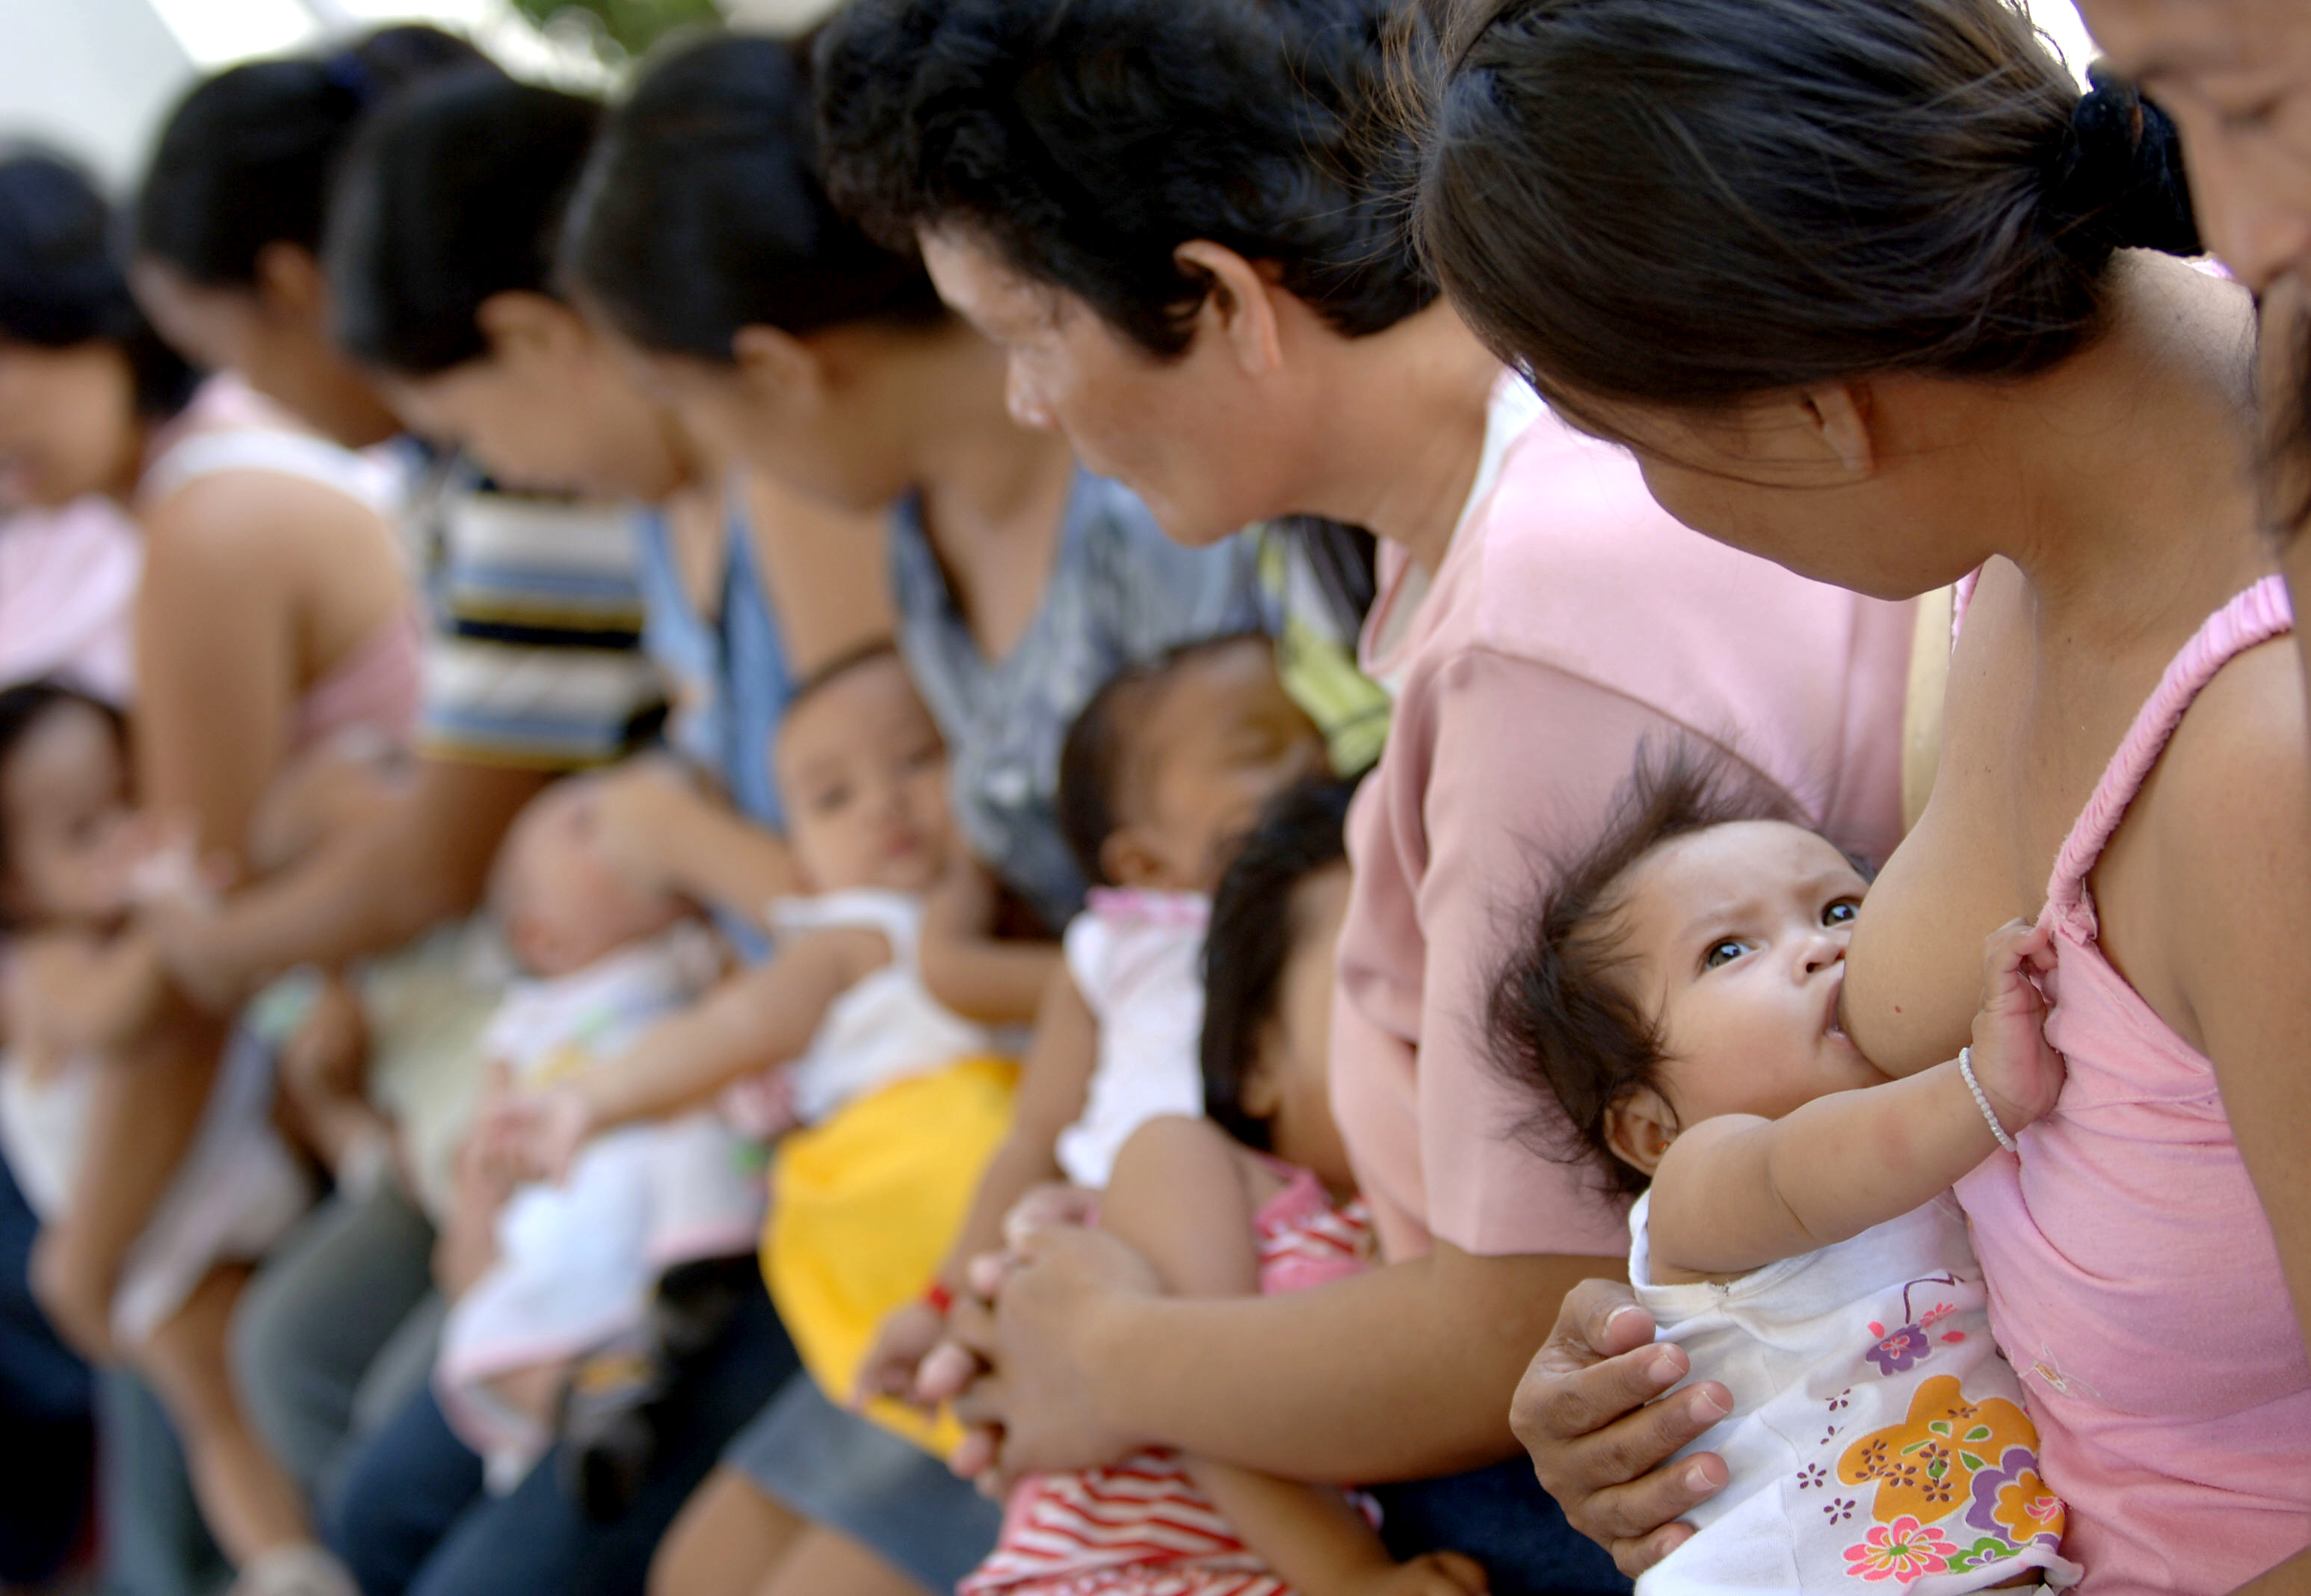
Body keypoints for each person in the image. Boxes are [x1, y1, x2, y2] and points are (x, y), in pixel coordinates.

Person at [812, 7, 1911, 1591]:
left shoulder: (1537, 619)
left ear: (1220, 300)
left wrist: (1113, 1361)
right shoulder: (1489, 498)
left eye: (1029, 333)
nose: (1025, 404)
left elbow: (1530, 1312)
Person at [1416, 1, 2311, 1589]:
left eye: (1634, 445)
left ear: (1819, 416)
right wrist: (1716, 1325)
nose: (1657, 507)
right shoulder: (2011, 550)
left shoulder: (2262, 753)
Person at [561, 30, 1267, 951]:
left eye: (687, 405)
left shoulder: (1154, 495)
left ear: (778, 370)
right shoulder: (917, 534)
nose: (718, 454)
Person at [0, 146, 416, 1370]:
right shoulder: (193, 496)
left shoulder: (203, 535)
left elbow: (193, 958)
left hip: (474, 1025)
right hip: (394, 1030)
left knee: (262, 1362)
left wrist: (80, 1260)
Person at [1484, 749, 2080, 1593]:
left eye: (1841, 907)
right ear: (1648, 1129)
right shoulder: (1701, 1186)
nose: (1818, 948)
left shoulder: (1948, 1138)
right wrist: (1982, 1089)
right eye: (1726, 951)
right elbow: (1805, 1177)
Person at [963, 776, 1485, 1596]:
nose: (1441, 996)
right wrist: (1347, 1574)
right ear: (1254, 1064)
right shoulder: (1192, 1165)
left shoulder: (1445, 1242)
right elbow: (1182, 1393)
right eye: (1382, 964)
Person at [856, 634, 1327, 1409]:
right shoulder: (1112, 952)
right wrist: (938, 1302)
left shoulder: (1325, 913)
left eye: (1314, 738)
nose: (1310, 765)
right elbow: (1032, 1139)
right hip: (1099, 1234)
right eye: (1259, 751)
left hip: (1270, 1232)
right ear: (1143, 864)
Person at [0, 683, 357, 1596]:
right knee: (217, 1402)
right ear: (12, 883)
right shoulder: (41, 969)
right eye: (83, 834)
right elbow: (107, 1020)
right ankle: (283, 1560)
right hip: (162, 1245)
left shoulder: (151, 916)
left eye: (131, 800)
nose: (125, 839)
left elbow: (250, 1002)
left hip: (244, 1155)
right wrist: (169, 932)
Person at [428, 775, 758, 1494]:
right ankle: (589, 1400)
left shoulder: (680, 953)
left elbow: (744, 1001)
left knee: (695, 1144)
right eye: (585, 825)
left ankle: (695, 1278)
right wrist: (481, 1203)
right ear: (540, 935)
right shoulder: (523, 1022)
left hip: (660, 1161)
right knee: (473, 1340)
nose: (623, 825)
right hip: (565, 1207)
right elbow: (488, 1137)